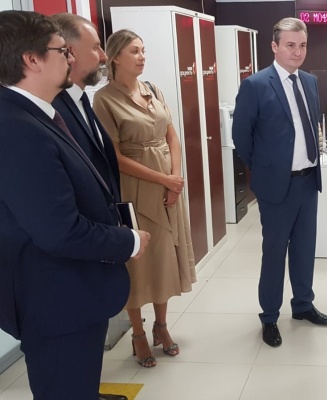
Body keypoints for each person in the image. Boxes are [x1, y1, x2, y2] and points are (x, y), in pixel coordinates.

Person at [0, 10, 150, 400]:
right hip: (55, 301)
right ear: (31, 60)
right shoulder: (16, 127)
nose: (70, 58)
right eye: (61, 50)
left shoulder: (38, 114)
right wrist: (128, 241)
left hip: (72, 293)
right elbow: (58, 230)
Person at [93, 29, 197, 367]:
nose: (142, 57)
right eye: (134, 51)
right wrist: (164, 179)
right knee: (139, 262)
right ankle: (138, 332)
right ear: (115, 57)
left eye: (143, 50)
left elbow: (172, 137)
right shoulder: (104, 100)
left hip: (168, 186)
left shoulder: (153, 89)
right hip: (136, 188)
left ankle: (161, 326)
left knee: (164, 257)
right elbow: (115, 157)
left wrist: (175, 180)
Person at [232, 17, 327, 348]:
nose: (297, 51)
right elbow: (241, 137)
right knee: (274, 253)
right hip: (277, 186)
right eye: (290, 45)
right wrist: (265, 170)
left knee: (305, 250)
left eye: (302, 45)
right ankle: (269, 316)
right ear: (274, 46)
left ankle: (303, 305)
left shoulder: (309, 81)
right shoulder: (256, 85)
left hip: (308, 181)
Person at [50, 12, 129, 400]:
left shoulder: (82, 100)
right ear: (67, 52)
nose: (102, 55)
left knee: (88, 346)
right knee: (67, 360)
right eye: (96, 47)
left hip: (96, 246)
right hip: (73, 253)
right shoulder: (50, 109)